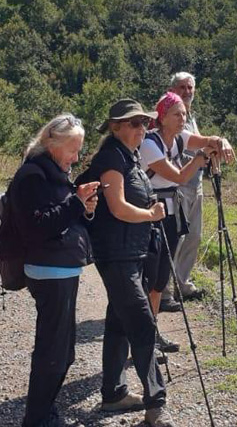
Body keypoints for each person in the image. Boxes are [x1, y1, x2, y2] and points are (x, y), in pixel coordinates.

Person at [75, 99, 175, 427]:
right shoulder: (109, 158)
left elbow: (130, 200)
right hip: (116, 256)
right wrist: (150, 214)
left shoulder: (129, 157)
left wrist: (148, 205)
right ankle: (156, 405)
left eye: (144, 123)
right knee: (143, 323)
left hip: (133, 253)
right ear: (115, 127)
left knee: (119, 321)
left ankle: (113, 394)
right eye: (133, 123)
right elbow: (117, 207)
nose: (140, 129)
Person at [9, 114, 98, 427]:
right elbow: (37, 228)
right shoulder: (33, 175)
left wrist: (84, 209)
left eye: (79, 150)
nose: (76, 157)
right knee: (53, 352)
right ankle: (37, 417)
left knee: (63, 352)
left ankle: (45, 411)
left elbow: (63, 218)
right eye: (72, 150)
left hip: (61, 269)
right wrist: (76, 203)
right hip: (48, 271)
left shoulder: (55, 172)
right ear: (50, 143)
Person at [138, 91, 221, 351]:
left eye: (184, 113)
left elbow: (207, 140)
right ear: (161, 117)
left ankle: (150, 334)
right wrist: (200, 158)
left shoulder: (179, 139)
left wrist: (220, 142)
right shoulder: (150, 143)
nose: (182, 118)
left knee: (162, 277)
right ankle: (139, 334)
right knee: (149, 275)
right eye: (176, 114)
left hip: (172, 211)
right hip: (150, 211)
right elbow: (179, 177)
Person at [160, 72, 234, 312]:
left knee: (193, 237)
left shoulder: (189, 117)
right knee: (176, 239)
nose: (187, 91)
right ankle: (164, 292)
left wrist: (215, 152)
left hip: (195, 183)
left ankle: (182, 284)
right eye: (182, 87)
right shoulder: (168, 117)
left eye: (190, 87)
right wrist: (213, 143)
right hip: (176, 186)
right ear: (171, 90)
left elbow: (201, 142)